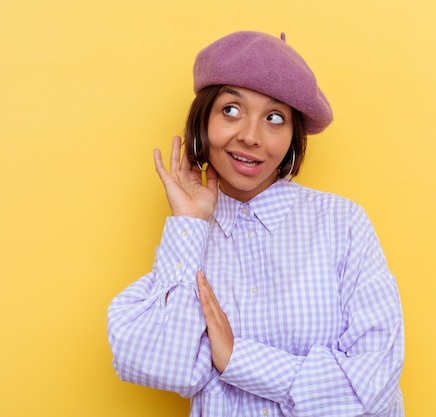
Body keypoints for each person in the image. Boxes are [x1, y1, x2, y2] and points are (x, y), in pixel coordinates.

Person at [107, 30, 405, 416]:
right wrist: (188, 222)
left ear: (293, 136)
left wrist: (236, 359)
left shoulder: (342, 223)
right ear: (204, 121)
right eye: (231, 109)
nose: (250, 136)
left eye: (275, 118)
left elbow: (375, 384)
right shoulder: (191, 240)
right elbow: (162, 365)